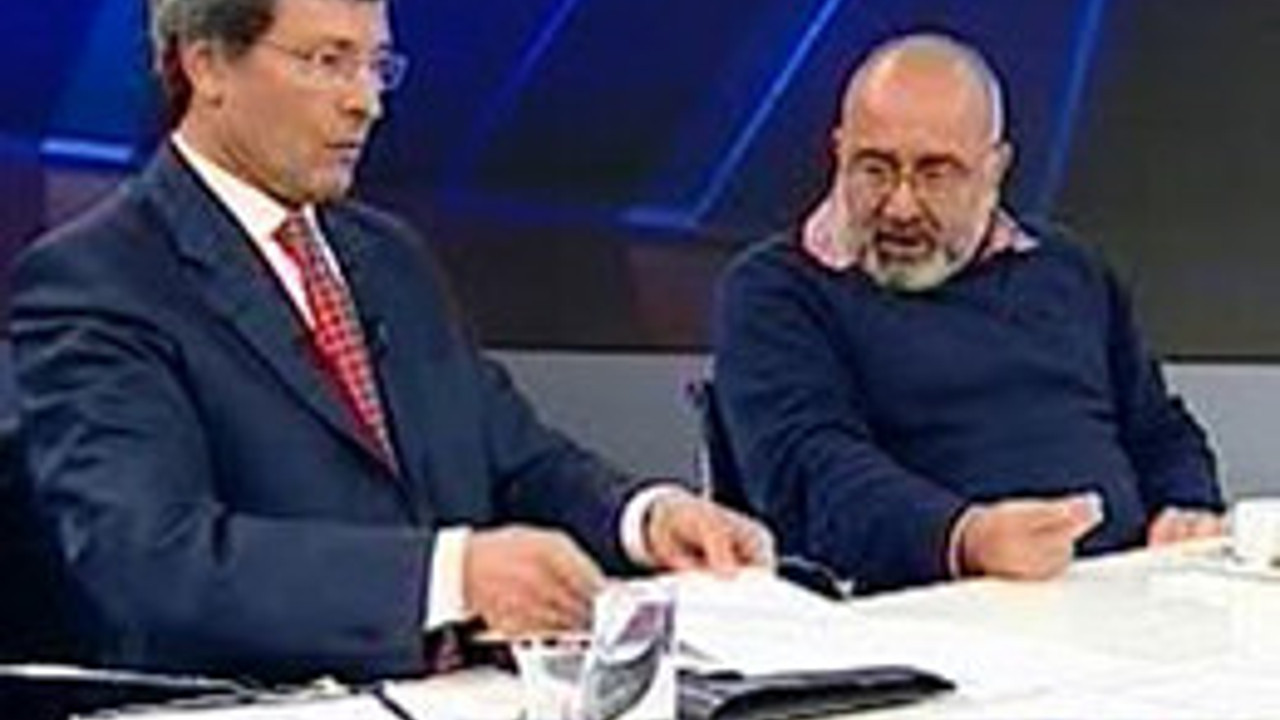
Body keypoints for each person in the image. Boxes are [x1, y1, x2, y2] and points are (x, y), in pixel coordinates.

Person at [11, 0, 771, 681]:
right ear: (206, 64)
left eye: (377, 65)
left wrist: (645, 518)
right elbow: (150, 562)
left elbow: (513, 456)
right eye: (328, 61)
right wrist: (449, 578)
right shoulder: (99, 279)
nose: (366, 101)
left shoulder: (388, 256)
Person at [712, 33, 1223, 594]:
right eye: (875, 169)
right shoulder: (778, 290)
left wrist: (1186, 507)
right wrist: (965, 540)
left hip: (1128, 595)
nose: (900, 205)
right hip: (927, 608)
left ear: (995, 168)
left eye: (935, 174)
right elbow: (808, 472)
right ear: (839, 153)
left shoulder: (1069, 269)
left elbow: (1158, 429)